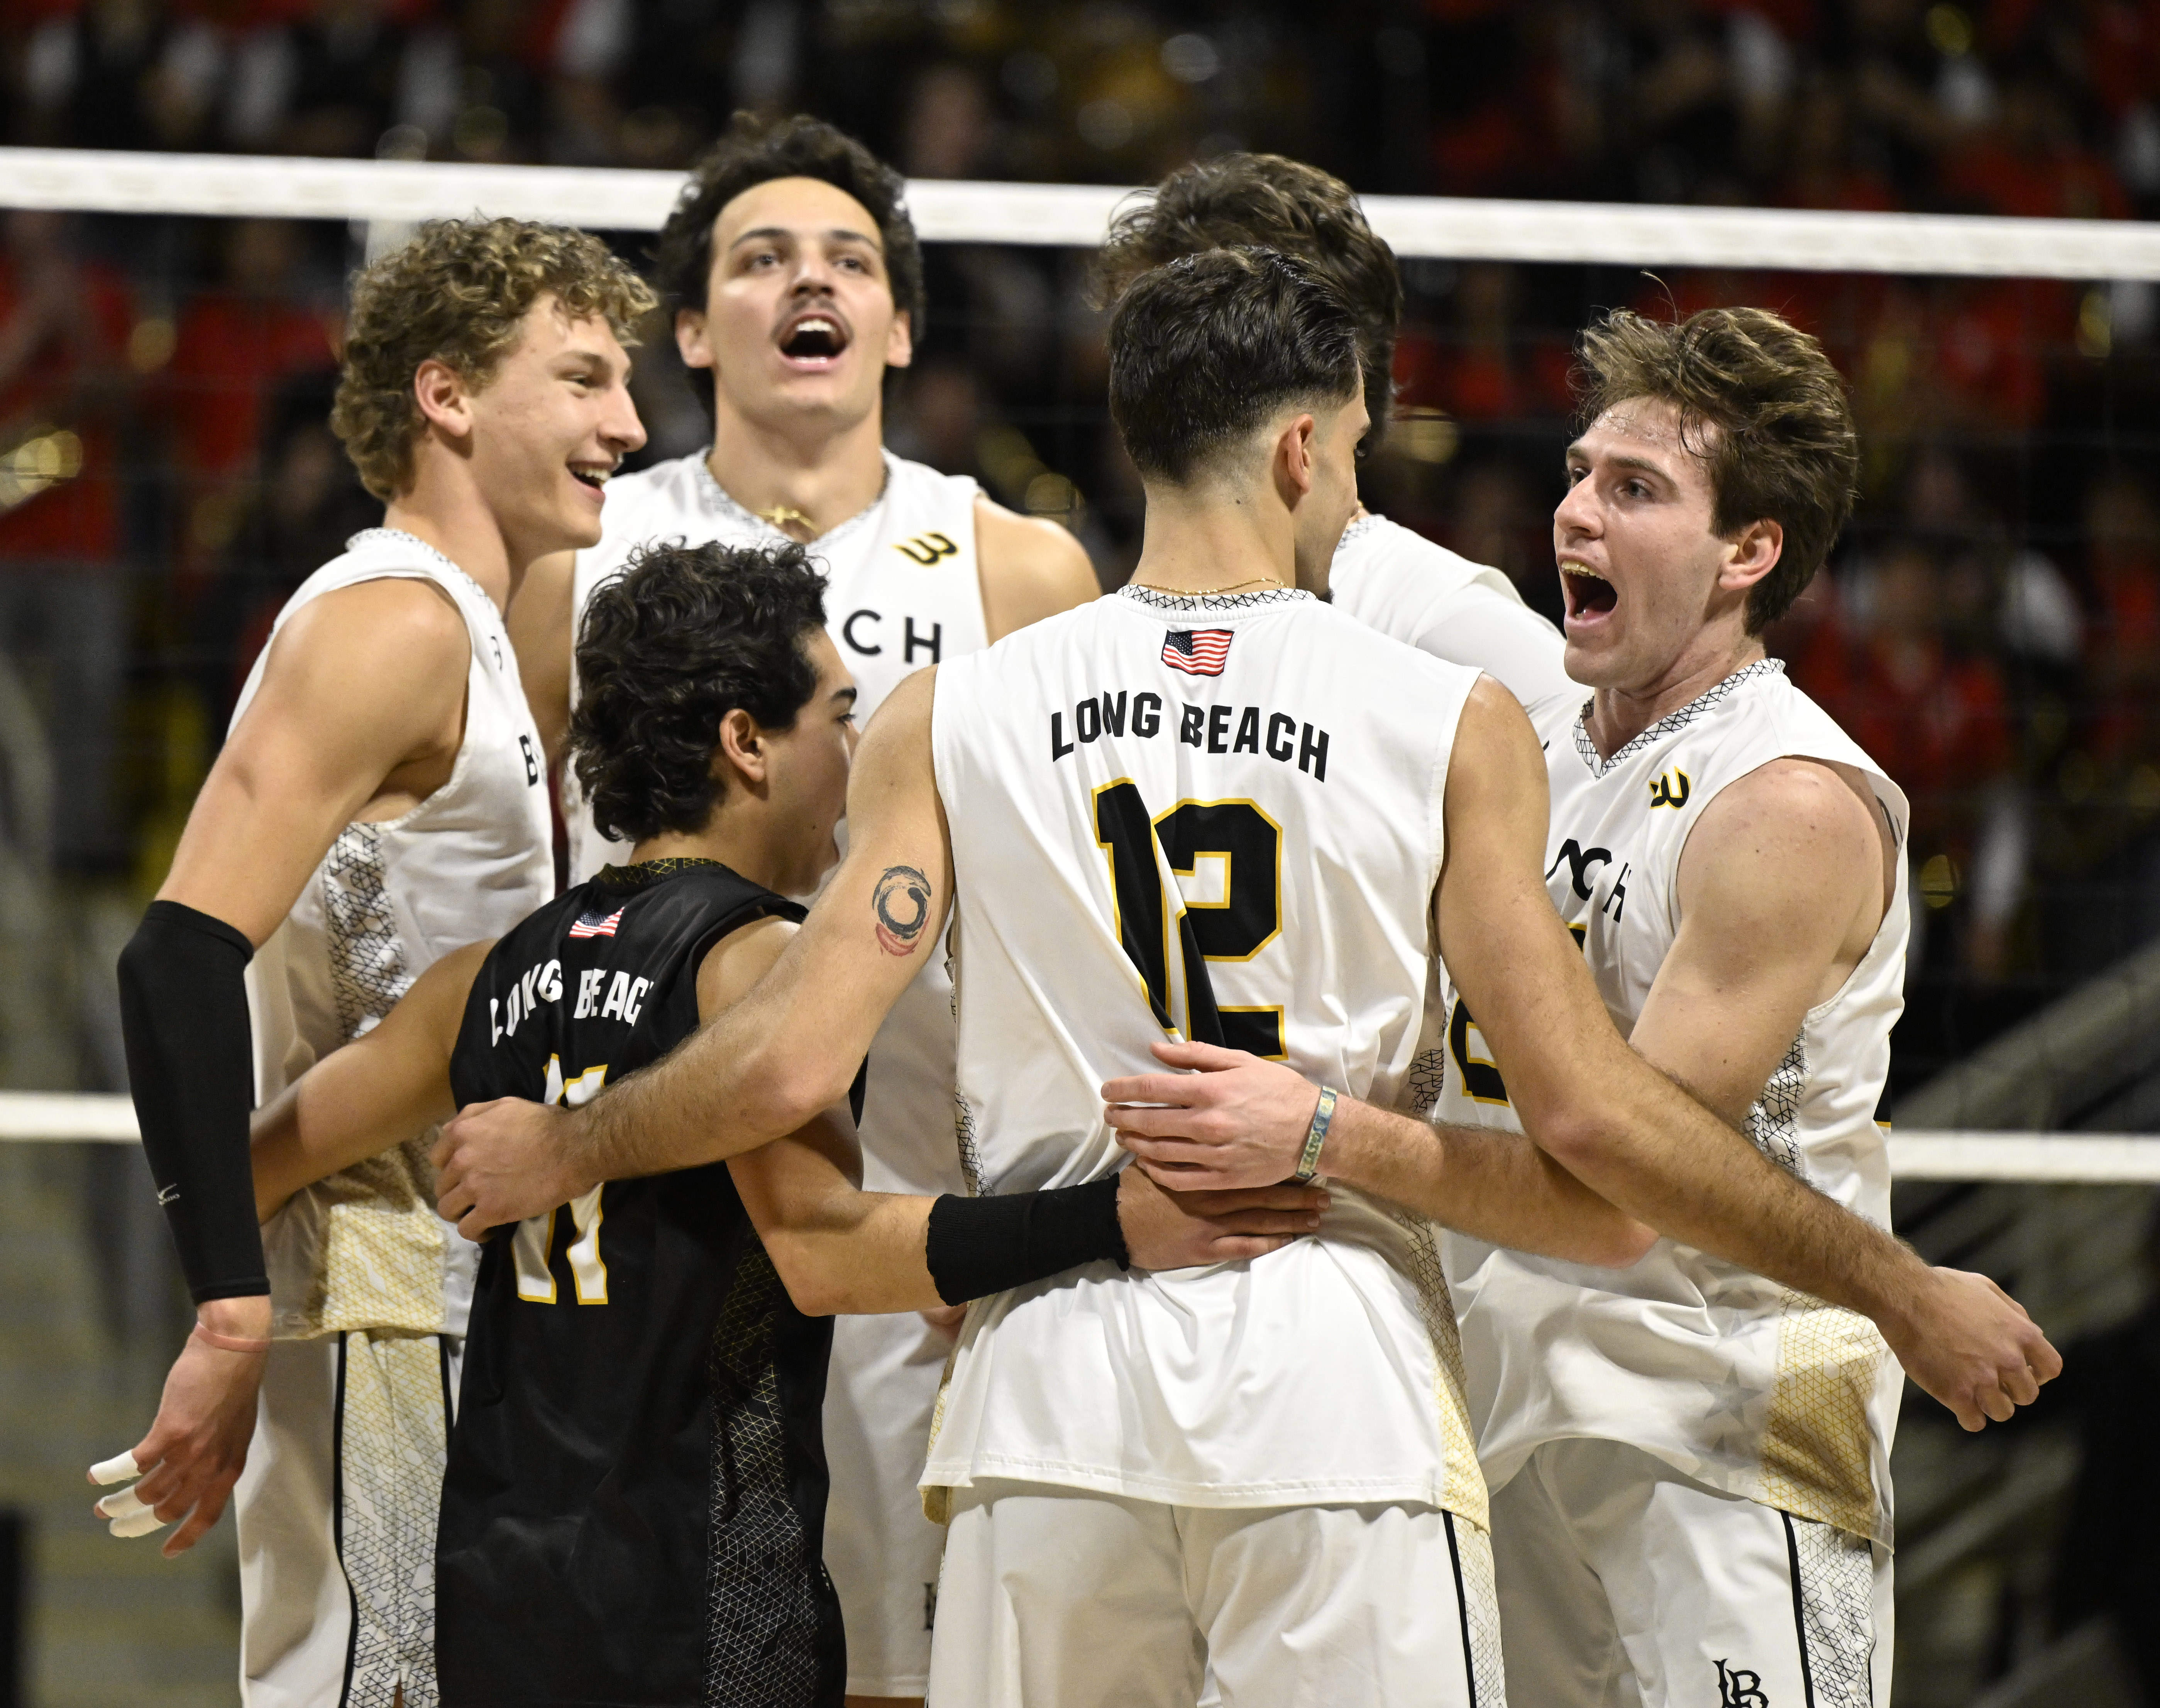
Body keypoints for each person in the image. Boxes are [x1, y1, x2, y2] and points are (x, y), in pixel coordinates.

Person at [1104, 306, 2065, 1708]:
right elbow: (1323, 527)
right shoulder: (1519, 736)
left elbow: (1619, 1176)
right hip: (1503, 1392)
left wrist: (1320, 1134)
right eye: (1575, 473)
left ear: (1749, 552)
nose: (1575, 514)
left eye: (1634, 490)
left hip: (1718, 1409)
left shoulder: (1782, 800)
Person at [243, 537, 1318, 1706]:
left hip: (501, 1579)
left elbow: (251, 1163)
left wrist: (223, 1326)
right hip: (695, 1586)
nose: (854, 757)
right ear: (747, 743)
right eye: (837, 717)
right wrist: (1110, 1219)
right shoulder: (761, 965)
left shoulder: (486, 973)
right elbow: (823, 1252)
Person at [504, 110, 1100, 1707]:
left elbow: (1080, 914)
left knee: (893, 1660)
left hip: (904, 1189)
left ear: (899, 325)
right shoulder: (584, 550)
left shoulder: (1021, 563)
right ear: (694, 327)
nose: (805, 282)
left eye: (845, 260)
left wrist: (1033, 1217)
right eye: (759, 259)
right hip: (656, 1196)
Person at [95, 217, 652, 1707]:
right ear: (449, 396)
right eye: (585, 378)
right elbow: (171, 960)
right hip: (380, 1290)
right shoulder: (389, 623)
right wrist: (225, 1303)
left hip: (468, 1286)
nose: (630, 424)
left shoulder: (483, 622)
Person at [1092, 151, 1576, 714]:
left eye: (1172, 342)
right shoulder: (1129, 621)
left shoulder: (1439, 621)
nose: (1134, 381)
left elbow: (1607, 781)